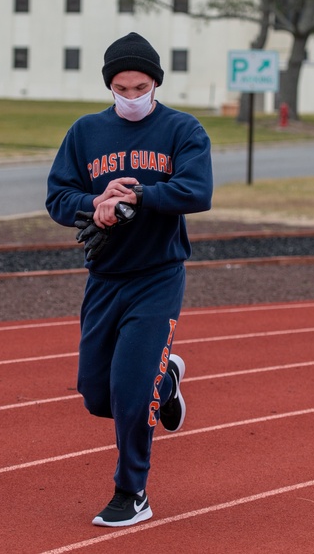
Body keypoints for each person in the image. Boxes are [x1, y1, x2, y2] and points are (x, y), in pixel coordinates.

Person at [45, 31, 214, 527]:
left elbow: (197, 191)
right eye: (123, 87)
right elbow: (58, 197)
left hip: (158, 277)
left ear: (156, 83)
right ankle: (168, 378)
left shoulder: (183, 130)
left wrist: (139, 195)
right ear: (109, 87)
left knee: (131, 391)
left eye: (141, 86)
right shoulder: (85, 133)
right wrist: (94, 205)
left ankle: (131, 492)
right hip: (104, 277)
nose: (133, 96)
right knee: (99, 394)